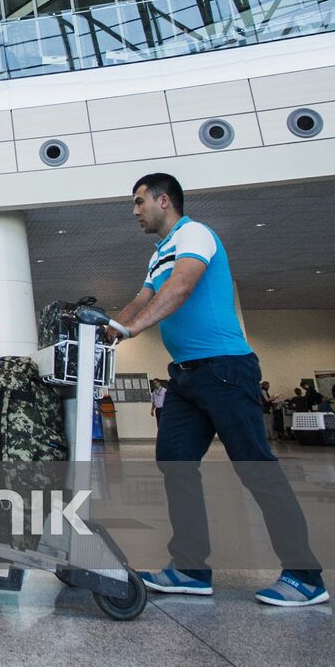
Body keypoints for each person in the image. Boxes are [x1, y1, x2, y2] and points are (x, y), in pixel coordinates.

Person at [111, 172, 326, 606]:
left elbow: (183, 286)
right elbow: (144, 295)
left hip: (226, 369)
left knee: (256, 469)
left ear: (163, 200)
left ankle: (306, 577)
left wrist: (133, 329)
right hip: (187, 376)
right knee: (174, 462)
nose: (135, 212)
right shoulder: (158, 255)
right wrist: (108, 328)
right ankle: (190, 568)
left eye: (139, 202)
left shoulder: (196, 235)